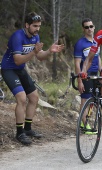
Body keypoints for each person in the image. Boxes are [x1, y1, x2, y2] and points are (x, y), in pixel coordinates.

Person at [1, 12, 65, 145]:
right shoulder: (17, 37)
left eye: (39, 26)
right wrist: (34, 52)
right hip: (8, 69)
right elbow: (18, 60)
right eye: (35, 26)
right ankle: (19, 133)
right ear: (27, 25)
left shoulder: (35, 36)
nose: (37, 29)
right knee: (22, 98)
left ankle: (28, 129)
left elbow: (40, 57)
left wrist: (49, 51)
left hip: (19, 70)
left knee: (34, 98)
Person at [74, 18, 102, 130]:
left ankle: (85, 120)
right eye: (86, 27)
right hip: (86, 74)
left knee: (94, 99)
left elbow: (98, 57)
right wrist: (79, 80)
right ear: (83, 29)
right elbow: (77, 64)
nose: (89, 29)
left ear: (94, 27)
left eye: (91, 26)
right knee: (85, 99)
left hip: (96, 74)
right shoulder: (80, 44)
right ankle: (84, 125)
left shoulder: (97, 41)